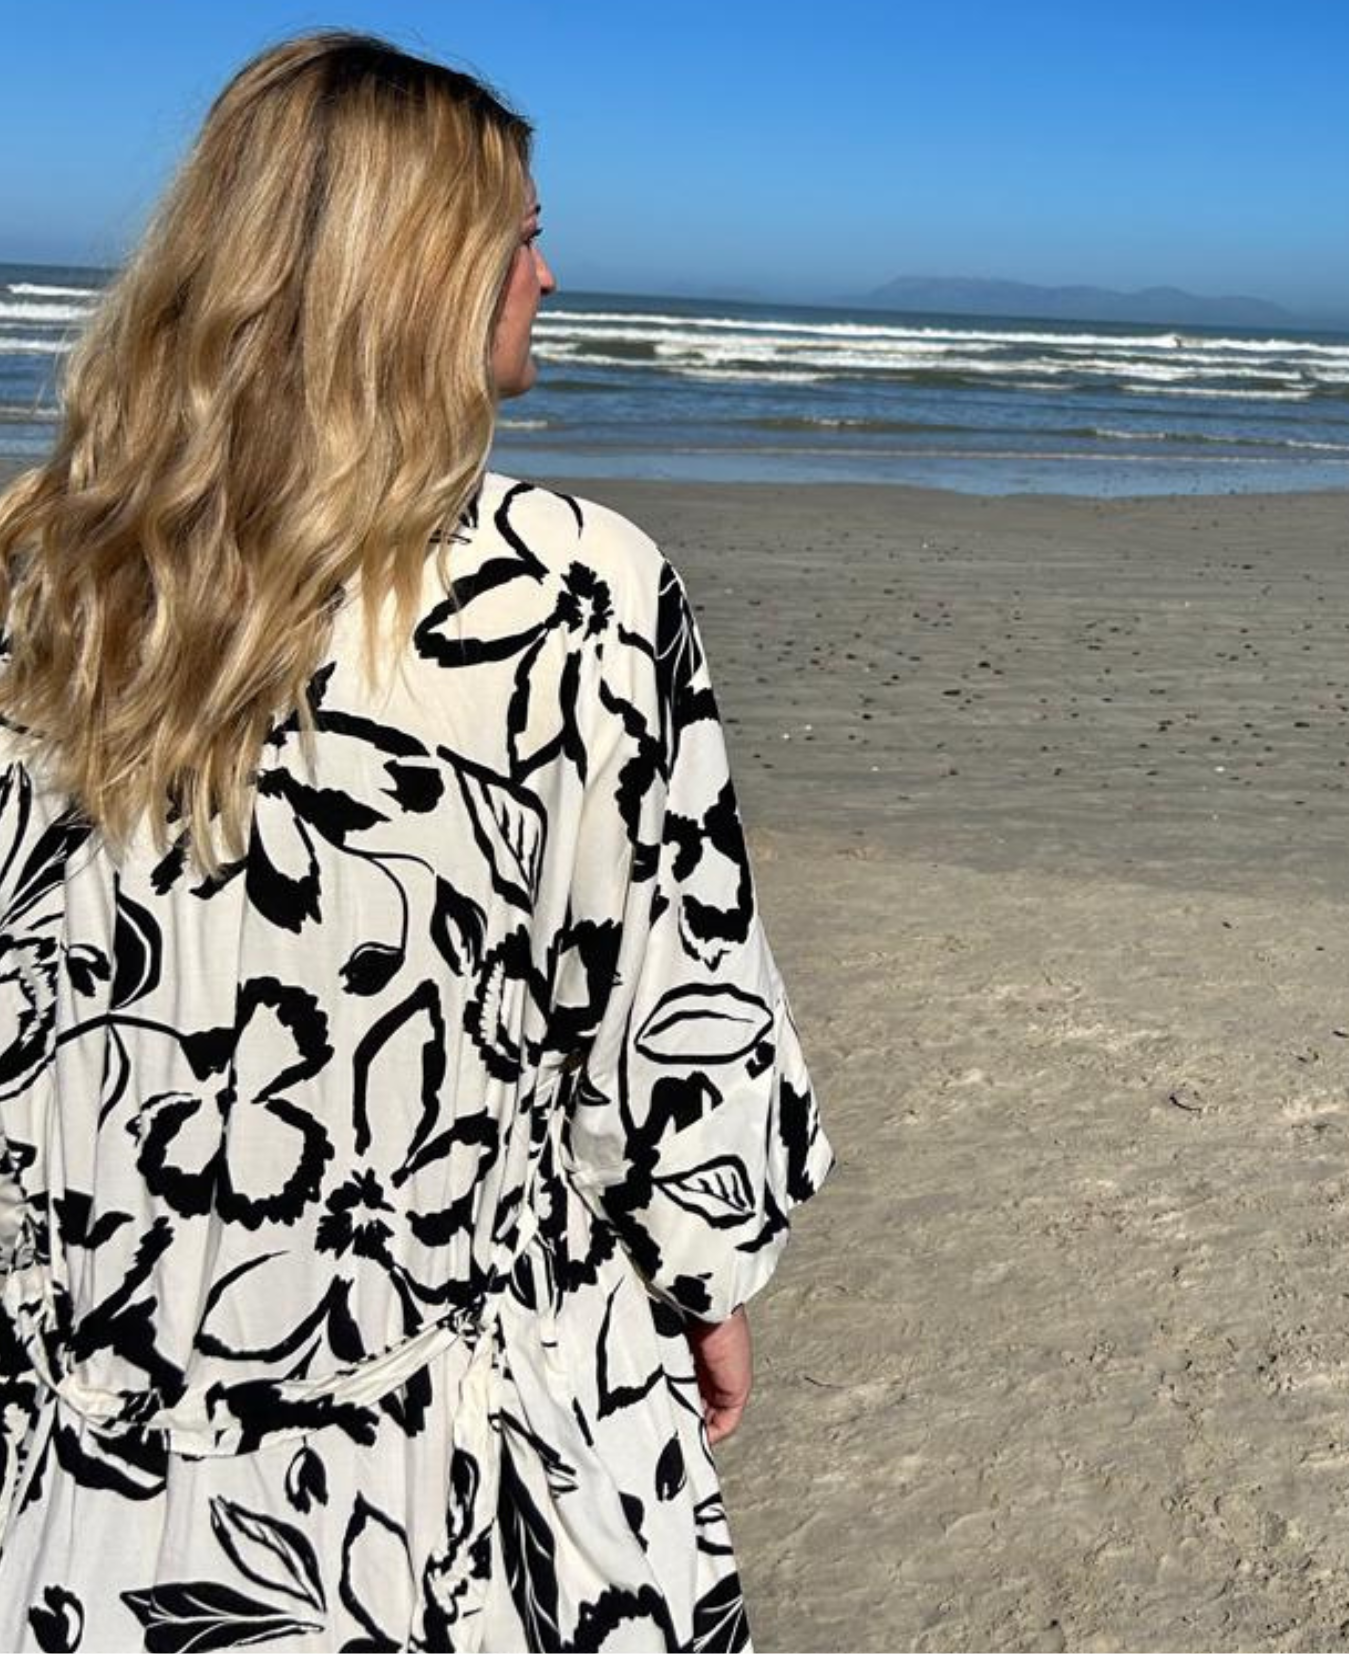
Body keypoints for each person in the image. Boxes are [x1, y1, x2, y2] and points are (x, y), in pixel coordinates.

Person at [0, 30, 833, 1652]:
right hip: (449, 1463)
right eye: (519, 235)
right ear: (414, 269)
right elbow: (675, 1012)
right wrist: (702, 1274)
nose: (549, 275)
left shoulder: (35, 583)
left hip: (82, 1447)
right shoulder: (568, 594)